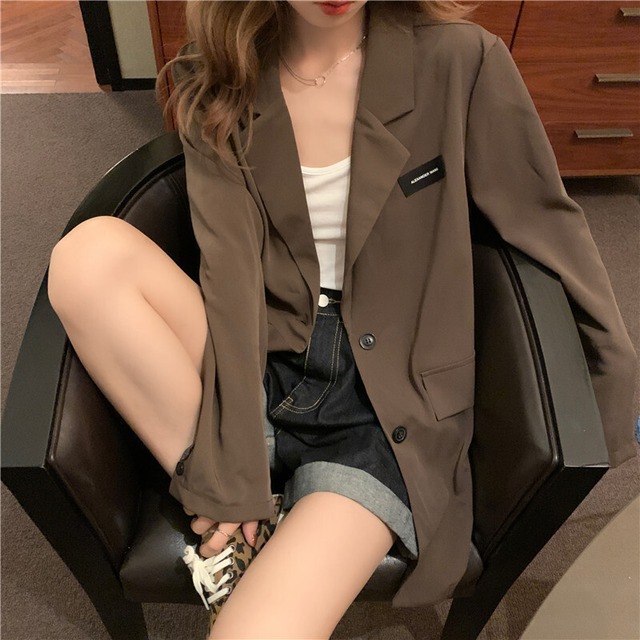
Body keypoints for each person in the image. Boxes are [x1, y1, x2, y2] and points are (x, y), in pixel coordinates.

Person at [47, 1, 638, 638]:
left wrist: (607, 387)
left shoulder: (460, 59)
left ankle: (260, 536)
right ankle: (247, 522)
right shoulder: (219, 72)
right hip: (265, 354)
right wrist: (230, 470)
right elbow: (229, 272)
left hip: (385, 407)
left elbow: (544, 224)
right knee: (86, 258)